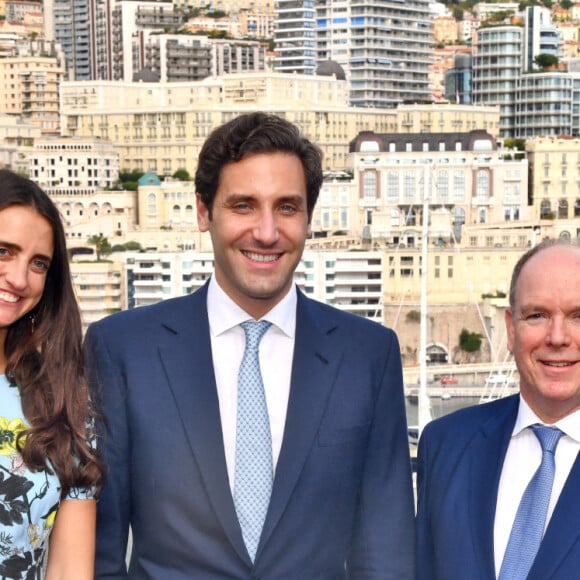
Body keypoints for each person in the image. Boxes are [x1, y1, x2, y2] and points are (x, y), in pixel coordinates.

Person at [85, 112, 415, 578]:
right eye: (243, 206)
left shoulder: (367, 356)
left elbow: (386, 551)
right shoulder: (122, 350)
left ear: (308, 217)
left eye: (286, 207)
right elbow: (100, 549)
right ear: (204, 212)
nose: (266, 232)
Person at [416, 237, 580, 579]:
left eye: (578, 317)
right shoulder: (446, 444)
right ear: (510, 327)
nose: (558, 337)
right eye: (537, 315)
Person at [0, 169, 102, 578]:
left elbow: (68, 572)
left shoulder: (62, 402)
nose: (20, 278)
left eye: (38, 263)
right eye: (3, 251)